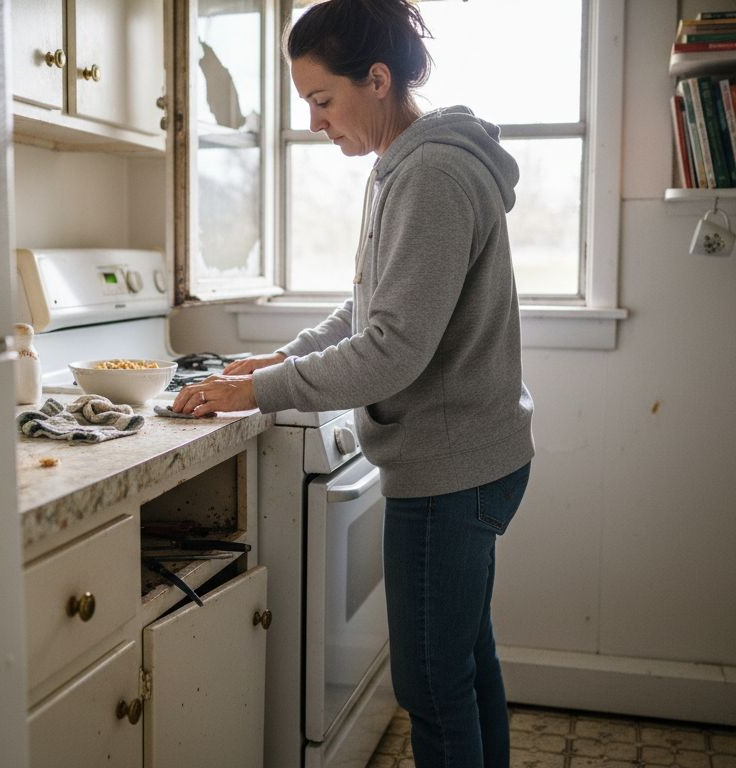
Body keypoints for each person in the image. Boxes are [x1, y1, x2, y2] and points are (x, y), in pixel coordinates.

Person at [170, 1, 533, 765]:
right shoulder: (407, 165)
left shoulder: (429, 173)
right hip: (473, 454)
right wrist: (276, 362)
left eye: (321, 101)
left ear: (377, 80)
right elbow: (370, 306)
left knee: (433, 688)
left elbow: (392, 350)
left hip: (450, 468)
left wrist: (259, 392)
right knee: (468, 669)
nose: (311, 123)